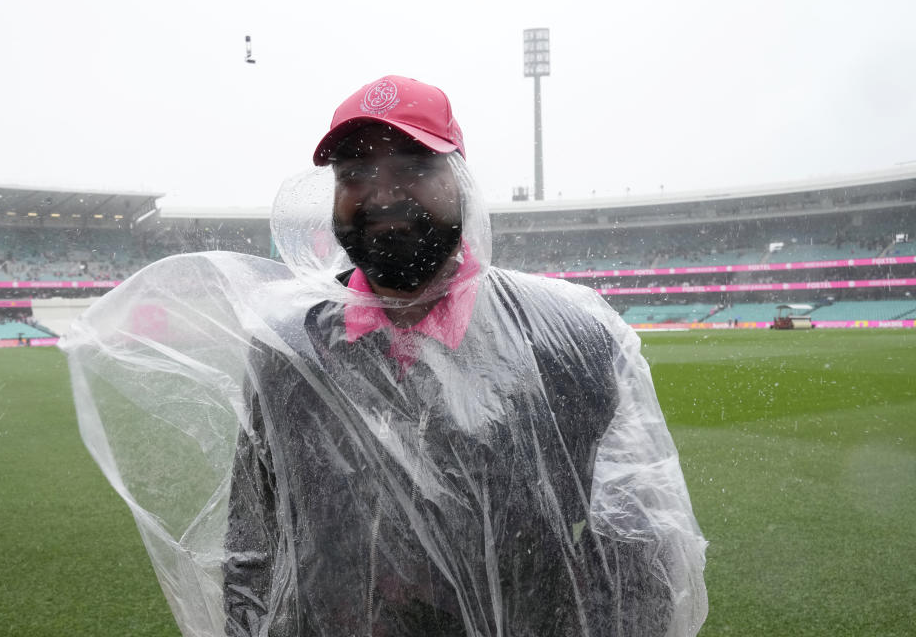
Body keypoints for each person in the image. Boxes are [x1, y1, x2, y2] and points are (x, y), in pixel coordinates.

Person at [221, 76, 707, 636]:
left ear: (461, 182)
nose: (381, 195)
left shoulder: (568, 336)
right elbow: (252, 546)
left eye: (413, 167)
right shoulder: (288, 347)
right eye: (354, 174)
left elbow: (638, 544)